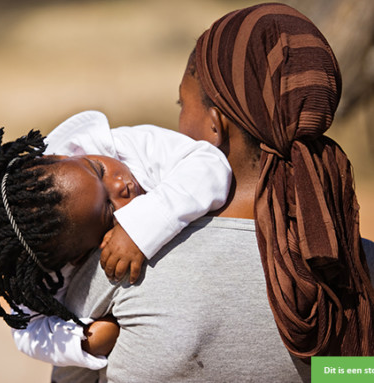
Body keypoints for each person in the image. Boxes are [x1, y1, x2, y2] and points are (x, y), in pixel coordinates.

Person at [50, 3, 374, 382]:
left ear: (217, 125)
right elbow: (351, 375)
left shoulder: (124, 263)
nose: (177, 124)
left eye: (182, 105)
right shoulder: (353, 268)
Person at [0, 110, 231, 369]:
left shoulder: (120, 145)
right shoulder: (51, 258)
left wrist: (140, 225)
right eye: (109, 209)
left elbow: (211, 164)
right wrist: (82, 340)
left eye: (98, 170)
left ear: (63, 155)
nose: (120, 185)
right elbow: (27, 330)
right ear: (77, 256)